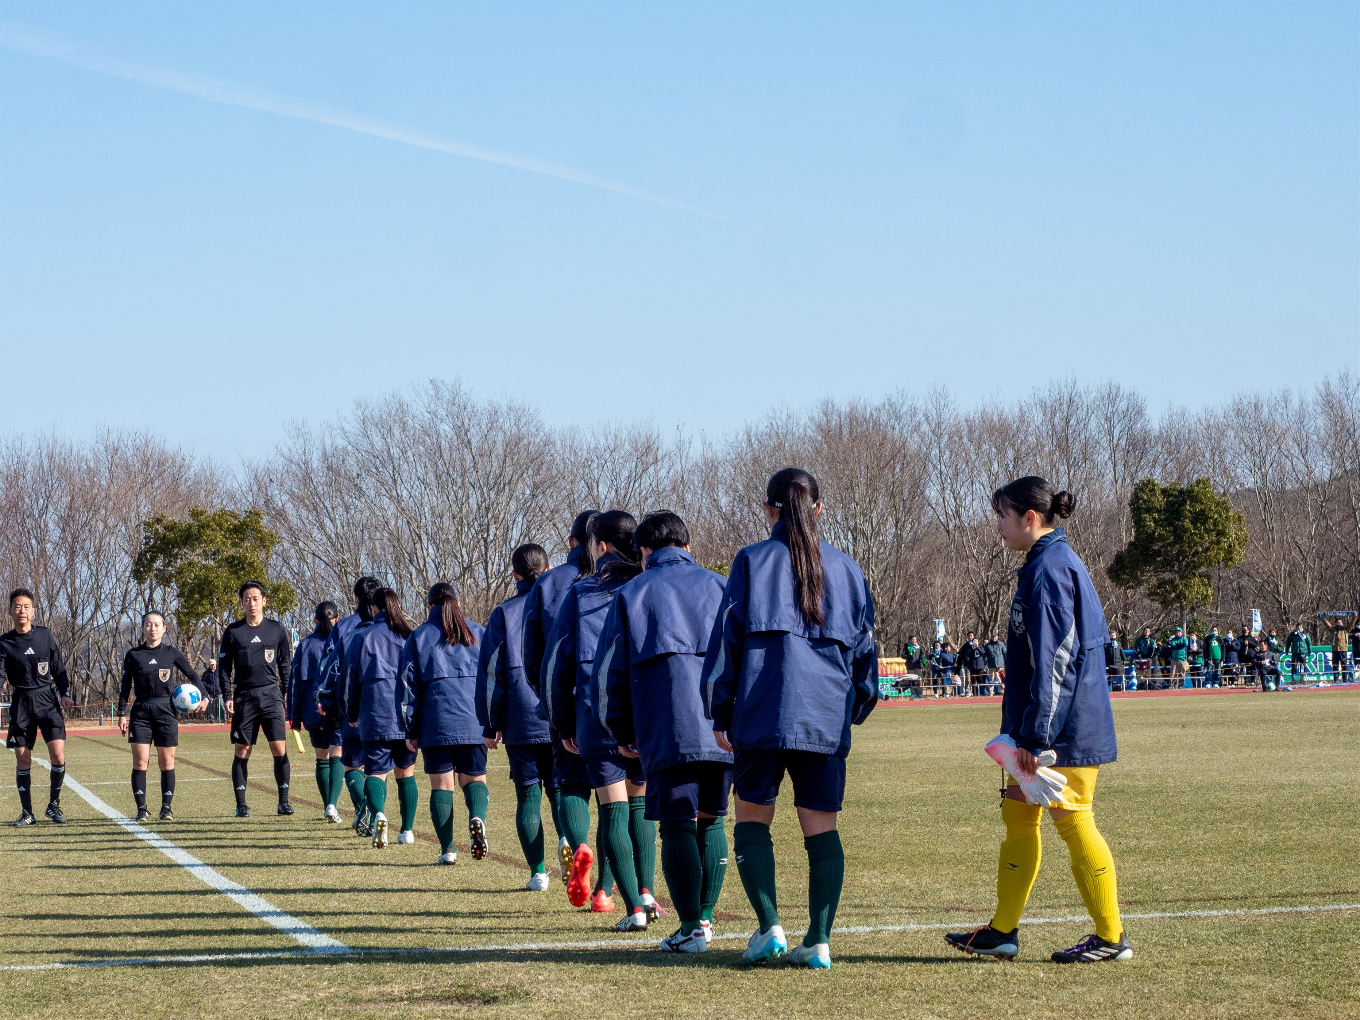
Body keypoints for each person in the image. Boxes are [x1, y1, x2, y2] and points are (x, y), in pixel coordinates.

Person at [946, 476, 1130, 964]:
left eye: (1003, 516)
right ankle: (1003, 930)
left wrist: (1035, 737)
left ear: (1030, 518)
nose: (998, 527)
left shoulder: (1050, 568)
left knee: (1074, 821)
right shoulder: (1045, 563)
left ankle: (1111, 938)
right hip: (1043, 726)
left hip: (1060, 732)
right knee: (1018, 814)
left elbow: (1056, 663)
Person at [704, 467, 877, 970]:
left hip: (760, 711)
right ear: (819, 509)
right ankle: (819, 939)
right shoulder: (847, 568)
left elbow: (727, 641)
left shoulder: (752, 561)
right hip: (824, 716)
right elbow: (865, 652)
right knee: (821, 826)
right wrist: (855, 707)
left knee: (753, 816)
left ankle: (769, 927)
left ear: (768, 509)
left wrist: (719, 709)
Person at [600, 511, 731, 953]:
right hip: (721, 726)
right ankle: (707, 919)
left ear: (643, 552)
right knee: (712, 819)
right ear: (688, 546)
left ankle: (692, 927)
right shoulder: (720, 585)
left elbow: (610, 672)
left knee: (677, 824)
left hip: (667, 723)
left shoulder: (632, 591)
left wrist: (620, 728)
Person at [548, 510, 658, 932]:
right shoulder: (647, 585)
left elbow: (560, 661)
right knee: (642, 805)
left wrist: (562, 721)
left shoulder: (582, 591)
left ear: (602, 545)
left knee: (612, 808)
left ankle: (631, 908)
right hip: (644, 710)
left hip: (595, 712)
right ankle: (646, 892)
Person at [522, 509, 615, 907]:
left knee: (572, 784)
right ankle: (607, 891)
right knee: (620, 799)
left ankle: (579, 845)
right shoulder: (628, 577)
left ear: (573, 542)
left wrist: (547, 695)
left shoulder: (549, 582)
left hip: (569, 698)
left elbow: (533, 651)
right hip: (617, 700)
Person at [479, 544, 561, 888]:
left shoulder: (504, 613)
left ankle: (538, 872)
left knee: (528, 794)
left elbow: (493, 674)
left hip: (521, 718)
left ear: (514, 575)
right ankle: (569, 841)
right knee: (562, 792)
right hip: (559, 716)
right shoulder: (562, 604)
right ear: (549, 566)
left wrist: (489, 722)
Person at [403, 583, 487, 863]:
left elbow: (408, 687)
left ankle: (448, 850)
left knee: (442, 786)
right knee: (474, 779)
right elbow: (493, 679)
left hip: (436, 721)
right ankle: (476, 817)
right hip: (473, 720)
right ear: (458, 603)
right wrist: (493, 720)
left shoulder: (419, 637)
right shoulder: (478, 633)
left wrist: (410, 727)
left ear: (429, 607)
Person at [345, 587, 417, 848]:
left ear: (373, 608)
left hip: (375, 712)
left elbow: (351, 680)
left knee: (376, 773)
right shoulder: (411, 636)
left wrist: (352, 713)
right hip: (406, 715)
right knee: (406, 774)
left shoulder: (362, 636)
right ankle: (407, 830)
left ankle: (379, 815)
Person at [117, 610, 203, 821]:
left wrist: (205, 695)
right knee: (140, 761)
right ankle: (142, 809)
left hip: (167, 711)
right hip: (141, 712)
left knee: (166, 761)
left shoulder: (172, 652)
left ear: (164, 628)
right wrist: (121, 713)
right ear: (142, 628)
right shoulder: (133, 655)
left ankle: (166, 808)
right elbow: (125, 686)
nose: (152, 628)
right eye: (148, 624)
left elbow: (192, 675)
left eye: (157, 625)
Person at [219, 581, 295, 818]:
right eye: (246, 599)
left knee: (279, 749)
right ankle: (241, 804)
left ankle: (283, 801)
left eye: (255, 598)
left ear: (264, 601)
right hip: (244, 696)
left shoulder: (276, 629)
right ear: (241, 603)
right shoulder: (233, 632)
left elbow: (285, 664)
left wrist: (287, 691)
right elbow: (223, 668)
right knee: (243, 751)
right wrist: (227, 695)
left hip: (271, 695)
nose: (251, 603)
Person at [316, 576, 382, 835]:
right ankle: (397, 824)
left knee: (351, 763)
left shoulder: (343, 628)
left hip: (352, 706)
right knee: (383, 768)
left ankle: (363, 806)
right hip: (385, 708)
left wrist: (324, 698)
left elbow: (330, 667)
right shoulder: (394, 625)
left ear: (356, 599)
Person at [3, 589, 73, 825]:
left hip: (47, 700)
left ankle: (54, 806)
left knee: (58, 754)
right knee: (23, 760)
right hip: (21, 702)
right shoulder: (5, 642)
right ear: (11, 610)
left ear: (33, 611)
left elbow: (58, 667)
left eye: (26, 606)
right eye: (17, 606)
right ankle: (28, 813)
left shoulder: (45, 635)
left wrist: (65, 693)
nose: (22, 611)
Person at [289, 602, 344, 822]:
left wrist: (294, 716)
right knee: (337, 755)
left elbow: (294, 684)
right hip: (336, 708)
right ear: (337, 619)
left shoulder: (304, 645)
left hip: (311, 710)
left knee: (322, 757)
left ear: (314, 621)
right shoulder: (341, 642)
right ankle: (332, 804)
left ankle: (327, 806)